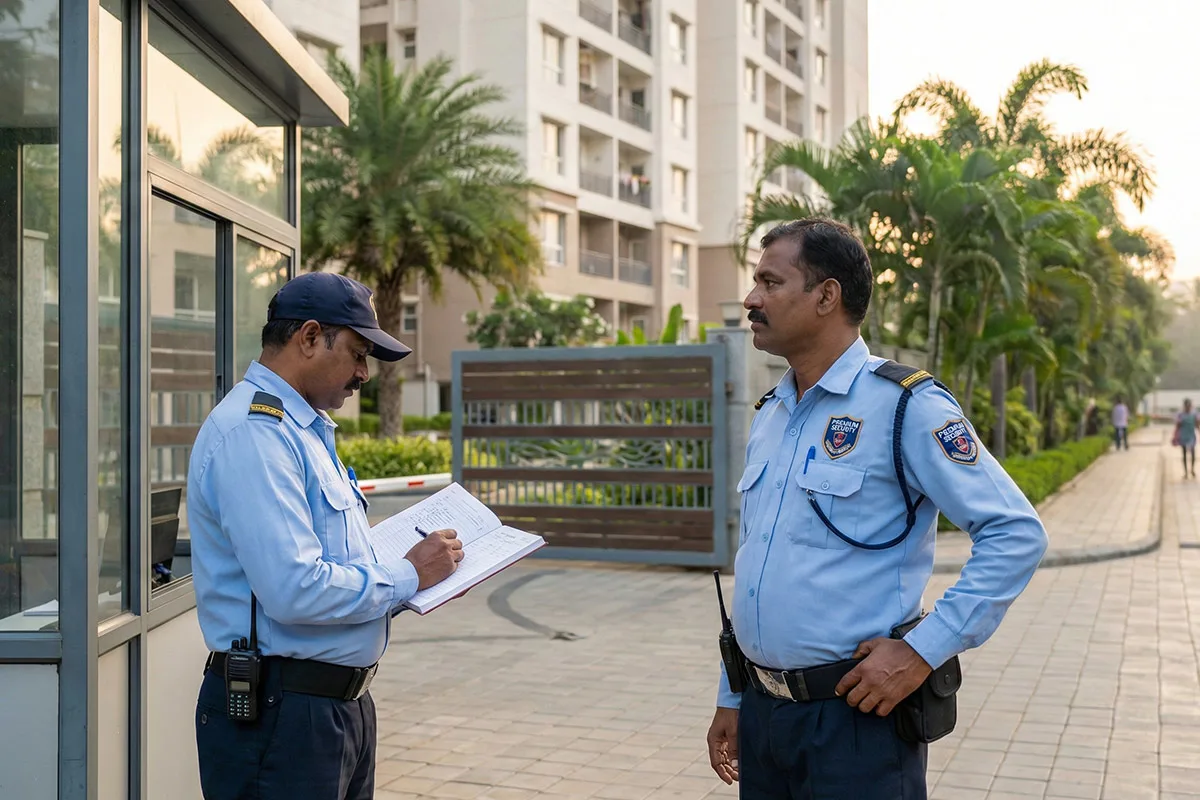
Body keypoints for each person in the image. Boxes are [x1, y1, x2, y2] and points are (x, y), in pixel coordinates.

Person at [705, 219, 1049, 798]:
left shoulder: (904, 405)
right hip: (764, 717)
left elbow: (1015, 533)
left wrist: (922, 649)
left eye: (770, 281)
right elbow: (758, 565)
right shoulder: (772, 413)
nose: (751, 298)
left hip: (856, 718)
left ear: (826, 296)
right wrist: (732, 695)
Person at [188, 271, 464, 799]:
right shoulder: (254, 433)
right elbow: (294, 587)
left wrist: (412, 577)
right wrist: (408, 574)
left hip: (333, 709)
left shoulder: (303, 431)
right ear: (309, 338)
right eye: (358, 353)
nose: (363, 373)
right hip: (284, 715)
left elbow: (326, 562)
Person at [1175, 398, 1198, 478]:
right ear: (1184, 406)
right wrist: (1175, 435)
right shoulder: (1180, 414)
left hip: (1191, 436)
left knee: (1193, 453)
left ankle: (1192, 469)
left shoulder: (1194, 413)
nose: (1188, 407)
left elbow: (1197, 424)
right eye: (1187, 406)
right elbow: (1177, 426)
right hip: (1183, 436)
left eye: (1189, 406)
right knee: (1184, 453)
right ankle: (1185, 472)